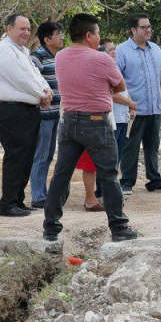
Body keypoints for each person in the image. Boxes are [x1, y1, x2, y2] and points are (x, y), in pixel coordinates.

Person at [43, 13, 136, 242]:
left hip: (68, 121)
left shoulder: (61, 57)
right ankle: (119, 227)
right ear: (88, 35)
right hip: (96, 123)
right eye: (97, 33)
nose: (99, 38)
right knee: (109, 175)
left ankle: (50, 226)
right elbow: (120, 85)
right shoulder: (101, 59)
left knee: (61, 175)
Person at [0, 14, 53, 217]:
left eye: (28, 29)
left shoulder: (23, 51)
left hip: (28, 111)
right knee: (16, 157)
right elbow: (22, 80)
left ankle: (18, 200)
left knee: (26, 157)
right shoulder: (4, 50)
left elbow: (36, 75)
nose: (25, 33)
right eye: (21, 29)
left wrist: (46, 90)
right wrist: (42, 94)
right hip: (12, 111)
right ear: (9, 29)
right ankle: (7, 204)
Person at [116, 13, 161, 195]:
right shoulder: (122, 51)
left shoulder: (156, 49)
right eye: (144, 27)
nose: (148, 30)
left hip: (154, 108)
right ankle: (127, 181)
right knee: (130, 146)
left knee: (153, 145)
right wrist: (127, 104)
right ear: (133, 30)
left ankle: (154, 181)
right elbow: (116, 81)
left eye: (149, 26)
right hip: (133, 110)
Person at [94, 39, 136, 201]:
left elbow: (125, 90)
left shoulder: (115, 67)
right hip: (112, 120)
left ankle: (111, 187)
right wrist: (130, 103)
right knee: (109, 157)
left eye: (114, 49)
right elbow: (112, 93)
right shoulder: (103, 68)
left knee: (118, 155)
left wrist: (131, 106)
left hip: (123, 118)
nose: (114, 52)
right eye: (110, 50)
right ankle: (102, 190)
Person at [29, 22, 64, 209]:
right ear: (47, 39)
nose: (62, 37)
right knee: (41, 155)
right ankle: (37, 195)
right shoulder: (37, 58)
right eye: (58, 35)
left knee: (49, 155)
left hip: (54, 115)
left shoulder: (57, 57)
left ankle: (42, 192)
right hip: (42, 117)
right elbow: (33, 82)